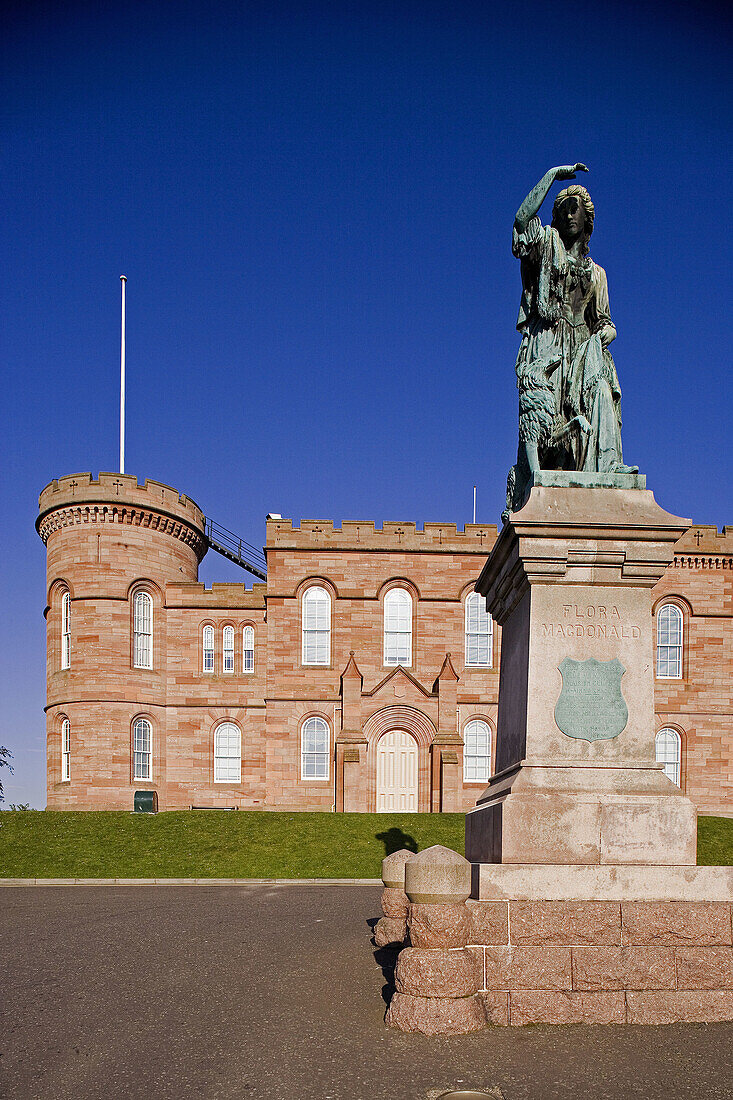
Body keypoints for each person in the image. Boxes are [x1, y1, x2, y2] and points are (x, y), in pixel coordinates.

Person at [504, 164, 636, 518]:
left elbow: (606, 323)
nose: (568, 213)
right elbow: (520, 221)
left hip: (584, 348)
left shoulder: (598, 274)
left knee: (603, 389)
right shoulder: (547, 243)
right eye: (562, 208)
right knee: (543, 426)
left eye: (575, 207)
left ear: (587, 218)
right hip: (549, 346)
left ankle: (607, 465)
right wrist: (551, 176)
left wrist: (600, 339)